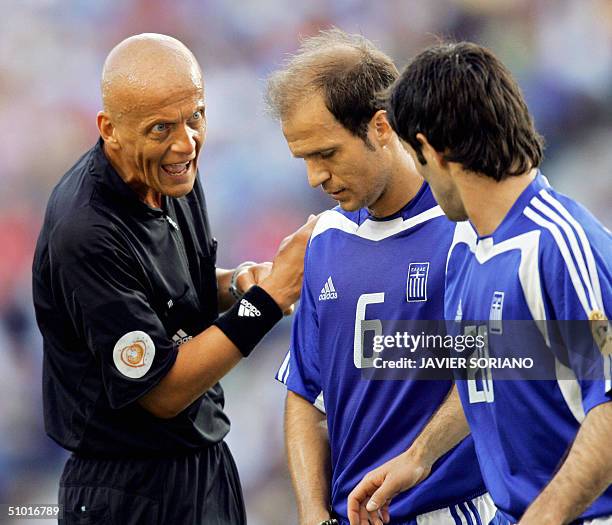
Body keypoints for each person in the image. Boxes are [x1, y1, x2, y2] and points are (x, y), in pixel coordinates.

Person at [32, 33, 316, 525]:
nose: (186, 141)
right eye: (161, 127)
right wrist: (267, 301)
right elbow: (161, 392)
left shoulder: (171, 168)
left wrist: (236, 286)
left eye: (196, 116)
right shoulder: (86, 230)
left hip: (204, 463)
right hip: (126, 490)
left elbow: (174, 294)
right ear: (110, 129)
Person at [348, 42, 612, 524]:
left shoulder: (558, 246)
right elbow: (505, 366)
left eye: (415, 157)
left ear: (430, 149)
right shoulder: (467, 247)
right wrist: (419, 456)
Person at [266, 30, 505, 525]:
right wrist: (312, 512)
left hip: (445, 511)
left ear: (380, 127)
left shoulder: (464, 231)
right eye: (304, 159)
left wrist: (418, 455)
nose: (314, 177)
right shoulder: (326, 238)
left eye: (327, 154)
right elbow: (305, 395)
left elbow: (496, 366)